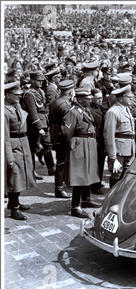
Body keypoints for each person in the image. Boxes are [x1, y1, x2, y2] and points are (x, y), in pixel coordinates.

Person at [61, 88, 100, 218]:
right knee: (79, 176)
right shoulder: (73, 112)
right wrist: (75, 144)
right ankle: (75, 206)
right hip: (80, 144)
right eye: (87, 98)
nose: (90, 99)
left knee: (87, 173)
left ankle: (85, 200)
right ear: (80, 99)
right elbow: (67, 133)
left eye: (90, 97)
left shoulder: (85, 110)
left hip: (88, 143)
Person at [5, 81, 37, 220]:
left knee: (21, 174)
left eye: (19, 94)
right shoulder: (4, 111)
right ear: (7, 94)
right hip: (13, 145)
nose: (18, 97)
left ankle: (15, 202)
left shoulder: (16, 106)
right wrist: (9, 157)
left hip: (23, 143)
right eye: (15, 94)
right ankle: (14, 209)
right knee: (14, 176)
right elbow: (4, 136)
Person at [22, 70, 55, 176]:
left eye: (42, 80)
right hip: (34, 124)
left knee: (47, 145)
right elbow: (33, 112)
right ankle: (32, 171)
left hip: (44, 121)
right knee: (33, 147)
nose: (41, 82)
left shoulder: (41, 91)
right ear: (32, 80)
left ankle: (51, 168)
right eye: (38, 80)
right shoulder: (29, 94)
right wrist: (39, 126)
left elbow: (45, 107)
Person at [103, 85, 136, 188]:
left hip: (129, 147)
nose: (131, 99)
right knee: (116, 174)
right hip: (119, 150)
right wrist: (112, 156)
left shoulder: (126, 109)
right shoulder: (113, 112)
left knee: (127, 175)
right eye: (129, 97)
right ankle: (112, 199)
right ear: (121, 98)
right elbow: (108, 135)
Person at [48, 79, 76, 199]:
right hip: (62, 137)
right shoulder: (65, 105)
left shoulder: (56, 102)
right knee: (62, 162)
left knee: (61, 161)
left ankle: (61, 185)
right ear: (70, 92)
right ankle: (59, 188)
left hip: (55, 134)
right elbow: (67, 125)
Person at [89, 88, 106, 195]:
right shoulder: (89, 110)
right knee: (94, 164)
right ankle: (94, 186)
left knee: (100, 163)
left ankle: (98, 182)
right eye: (98, 98)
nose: (100, 100)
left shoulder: (102, 108)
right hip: (94, 140)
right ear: (92, 98)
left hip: (101, 140)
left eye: (101, 98)